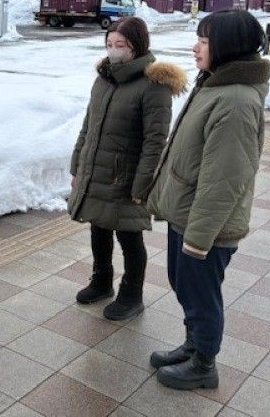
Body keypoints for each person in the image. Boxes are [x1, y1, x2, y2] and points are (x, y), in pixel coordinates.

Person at [146, 10, 270, 390]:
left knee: (201, 295)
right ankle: (192, 345)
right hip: (187, 214)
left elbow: (225, 179)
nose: (194, 47)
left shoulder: (235, 100)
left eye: (204, 40)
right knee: (186, 287)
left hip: (206, 227)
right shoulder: (214, 84)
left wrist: (198, 239)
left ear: (227, 45)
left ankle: (204, 364)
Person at [69, 17, 186, 321]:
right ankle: (101, 281)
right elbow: (88, 125)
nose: (113, 51)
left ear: (137, 45)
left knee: (129, 236)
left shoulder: (153, 85)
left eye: (120, 45)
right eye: (109, 44)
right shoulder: (105, 78)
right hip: (98, 170)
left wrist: (142, 185)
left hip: (127, 176)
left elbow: (155, 140)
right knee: (98, 226)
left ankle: (132, 294)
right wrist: (78, 165)